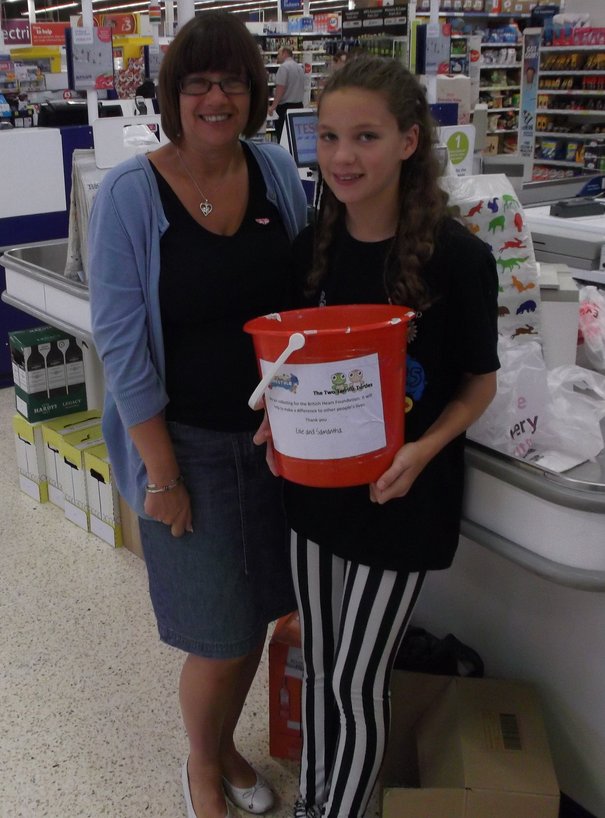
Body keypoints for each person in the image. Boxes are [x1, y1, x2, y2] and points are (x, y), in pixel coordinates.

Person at [254, 55, 500, 818]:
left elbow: (476, 383)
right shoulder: (308, 254)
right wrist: (276, 418)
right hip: (313, 499)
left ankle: (337, 812)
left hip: (399, 501)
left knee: (357, 681)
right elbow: (288, 367)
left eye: (364, 136)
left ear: (407, 140)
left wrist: (423, 451)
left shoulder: (459, 260)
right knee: (323, 666)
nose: (341, 157)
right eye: (327, 137)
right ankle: (317, 803)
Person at [88, 12, 307, 818]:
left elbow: (304, 294)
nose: (216, 98)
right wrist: (161, 472)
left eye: (233, 83)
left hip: (272, 446)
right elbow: (120, 341)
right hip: (182, 446)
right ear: (172, 96)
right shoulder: (130, 194)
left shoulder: (276, 170)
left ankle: (224, 747)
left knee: (252, 617)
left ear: (254, 95)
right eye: (198, 84)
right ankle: (201, 768)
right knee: (215, 637)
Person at [268, 46, 305, 142]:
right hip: (299, 106)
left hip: (285, 108)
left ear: (285, 53)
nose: (277, 57)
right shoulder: (299, 68)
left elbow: (280, 88)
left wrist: (273, 107)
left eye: (279, 54)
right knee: (295, 138)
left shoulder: (284, 67)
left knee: (283, 138)